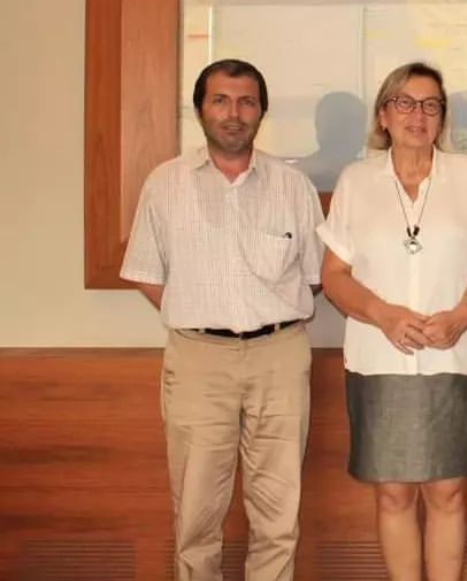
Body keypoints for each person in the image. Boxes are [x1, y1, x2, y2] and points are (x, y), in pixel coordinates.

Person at [121, 59, 325, 581]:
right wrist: (201, 313)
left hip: (279, 356)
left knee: (278, 513)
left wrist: (261, 314)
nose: (234, 113)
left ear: (261, 112)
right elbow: (146, 273)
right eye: (220, 100)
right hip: (198, 359)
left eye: (246, 102)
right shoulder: (165, 184)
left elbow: (315, 276)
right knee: (196, 513)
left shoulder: (293, 186)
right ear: (200, 110)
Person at [318, 62, 467, 581]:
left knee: (449, 491)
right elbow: (333, 275)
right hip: (381, 362)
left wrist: (463, 316)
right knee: (394, 493)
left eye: (430, 105)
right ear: (383, 114)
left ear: (441, 117)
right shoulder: (357, 181)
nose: (417, 115)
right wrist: (383, 315)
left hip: (454, 358)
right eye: (404, 102)